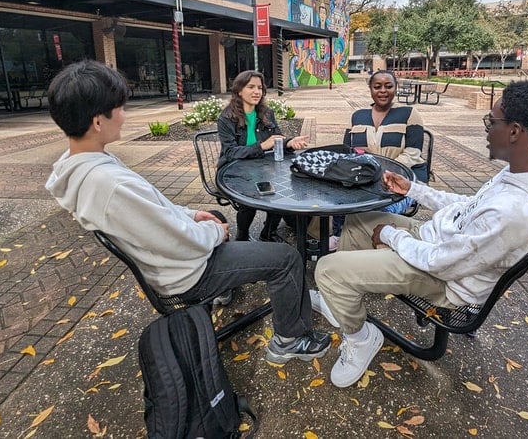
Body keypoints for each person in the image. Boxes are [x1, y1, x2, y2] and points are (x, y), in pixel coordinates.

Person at [312, 80, 528, 388]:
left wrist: (392, 236)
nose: (486, 129)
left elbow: (441, 263)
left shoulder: (516, 211)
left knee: (327, 270)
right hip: (440, 244)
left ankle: (360, 337)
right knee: (358, 221)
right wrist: (415, 189)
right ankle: (343, 299)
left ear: (514, 132)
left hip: (448, 281)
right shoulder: (526, 173)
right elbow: (470, 207)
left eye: (491, 121)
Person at [45, 61, 329, 364]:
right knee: (286, 259)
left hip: (169, 260)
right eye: (120, 107)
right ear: (98, 121)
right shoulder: (109, 183)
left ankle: (259, 294)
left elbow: (154, 212)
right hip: (186, 273)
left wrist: (191, 214)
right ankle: (291, 339)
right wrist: (214, 233)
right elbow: (175, 238)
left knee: (214, 216)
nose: (125, 115)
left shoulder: (80, 163)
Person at [324, 70, 426, 247]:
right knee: (340, 199)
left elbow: (412, 153)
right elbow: (348, 151)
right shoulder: (358, 116)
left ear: (396, 87)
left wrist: (382, 175)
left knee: (376, 210)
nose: (383, 91)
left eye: (388, 86)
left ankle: (368, 243)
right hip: (368, 180)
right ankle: (340, 236)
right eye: (377, 86)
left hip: (404, 183)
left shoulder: (409, 114)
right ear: (370, 89)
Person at [217, 70, 308, 242]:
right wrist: (263, 146)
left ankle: (268, 233)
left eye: (260, 87)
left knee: (279, 192)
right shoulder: (226, 118)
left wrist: (289, 142)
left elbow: (276, 137)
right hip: (233, 171)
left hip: (262, 166)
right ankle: (242, 236)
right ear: (239, 90)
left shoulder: (266, 113)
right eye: (250, 87)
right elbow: (230, 153)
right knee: (249, 196)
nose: (256, 91)